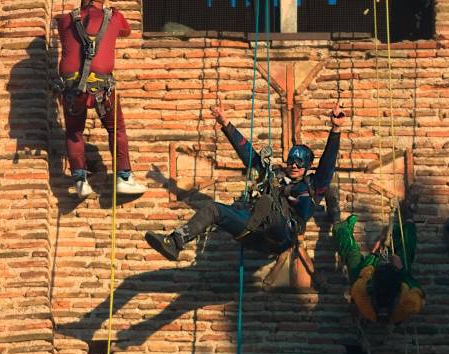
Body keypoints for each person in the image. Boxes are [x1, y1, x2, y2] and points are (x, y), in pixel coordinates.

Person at [145, 101, 344, 259]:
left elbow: (327, 164)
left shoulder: (313, 186)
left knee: (269, 204)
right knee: (214, 209)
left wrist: (335, 130)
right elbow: (250, 156)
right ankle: (175, 242)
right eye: (291, 160)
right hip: (253, 233)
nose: (294, 165)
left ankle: (256, 220)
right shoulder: (274, 177)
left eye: (300, 163)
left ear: (307, 167)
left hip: (280, 235)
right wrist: (226, 124)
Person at [56, 0, 146, 198]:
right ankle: (123, 177)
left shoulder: (65, 20)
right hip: (101, 87)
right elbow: (126, 31)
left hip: (72, 88)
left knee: (74, 132)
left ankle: (80, 180)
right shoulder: (113, 17)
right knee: (116, 129)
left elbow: (67, 34)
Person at [328, 187, 425, 325]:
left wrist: (374, 253)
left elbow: (365, 273)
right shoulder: (411, 300)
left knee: (352, 255)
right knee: (406, 251)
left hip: (371, 306)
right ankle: (409, 216)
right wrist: (402, 270)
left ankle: (336, 219)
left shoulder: (361, 292)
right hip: (396, 291)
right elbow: (417, 289)